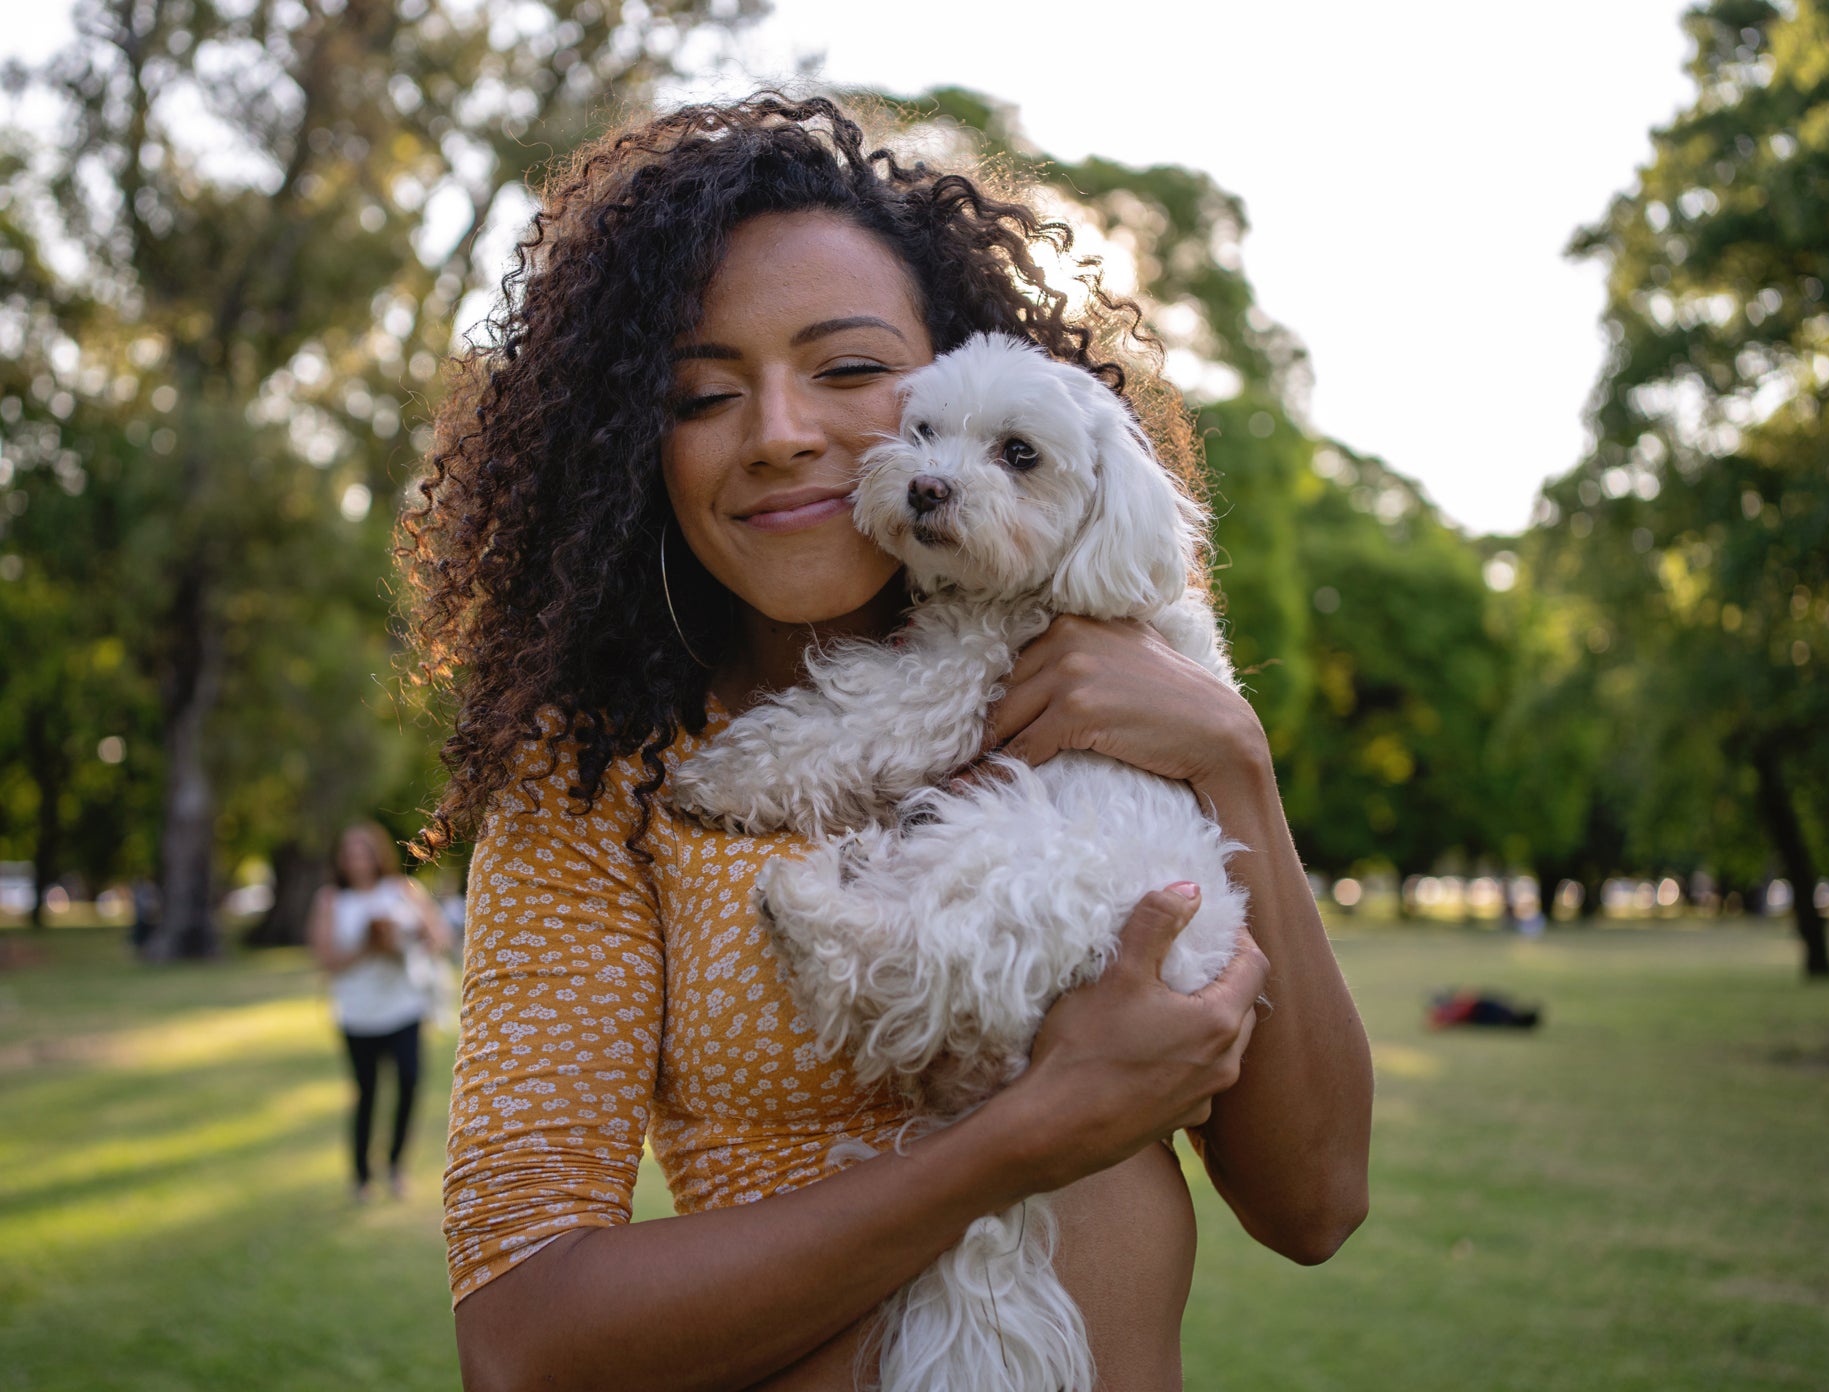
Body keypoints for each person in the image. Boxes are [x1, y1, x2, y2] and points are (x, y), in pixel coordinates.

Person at [400, 93, 1374, 1391]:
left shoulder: (1116, 682)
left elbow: (1311, 1207)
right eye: (701, 393)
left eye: (851, 370)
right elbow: (521, 1343)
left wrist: (1229, 763)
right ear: (630, 442)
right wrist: (1015, 1143)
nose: (782, 432)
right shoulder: (604, 783)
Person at [308, 821, 453, 1201]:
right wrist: (367, 947)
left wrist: (411, 938)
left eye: (364, 851)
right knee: (366, 1092)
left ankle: (395, 1166)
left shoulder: (402, 891)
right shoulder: (331, 900)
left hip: (404, 1006)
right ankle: (361, 1176)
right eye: (350, 852)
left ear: (377, 854)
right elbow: (325, 958)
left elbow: (439, 936)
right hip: (358, 1012)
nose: (358, 860)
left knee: (408, 1082)